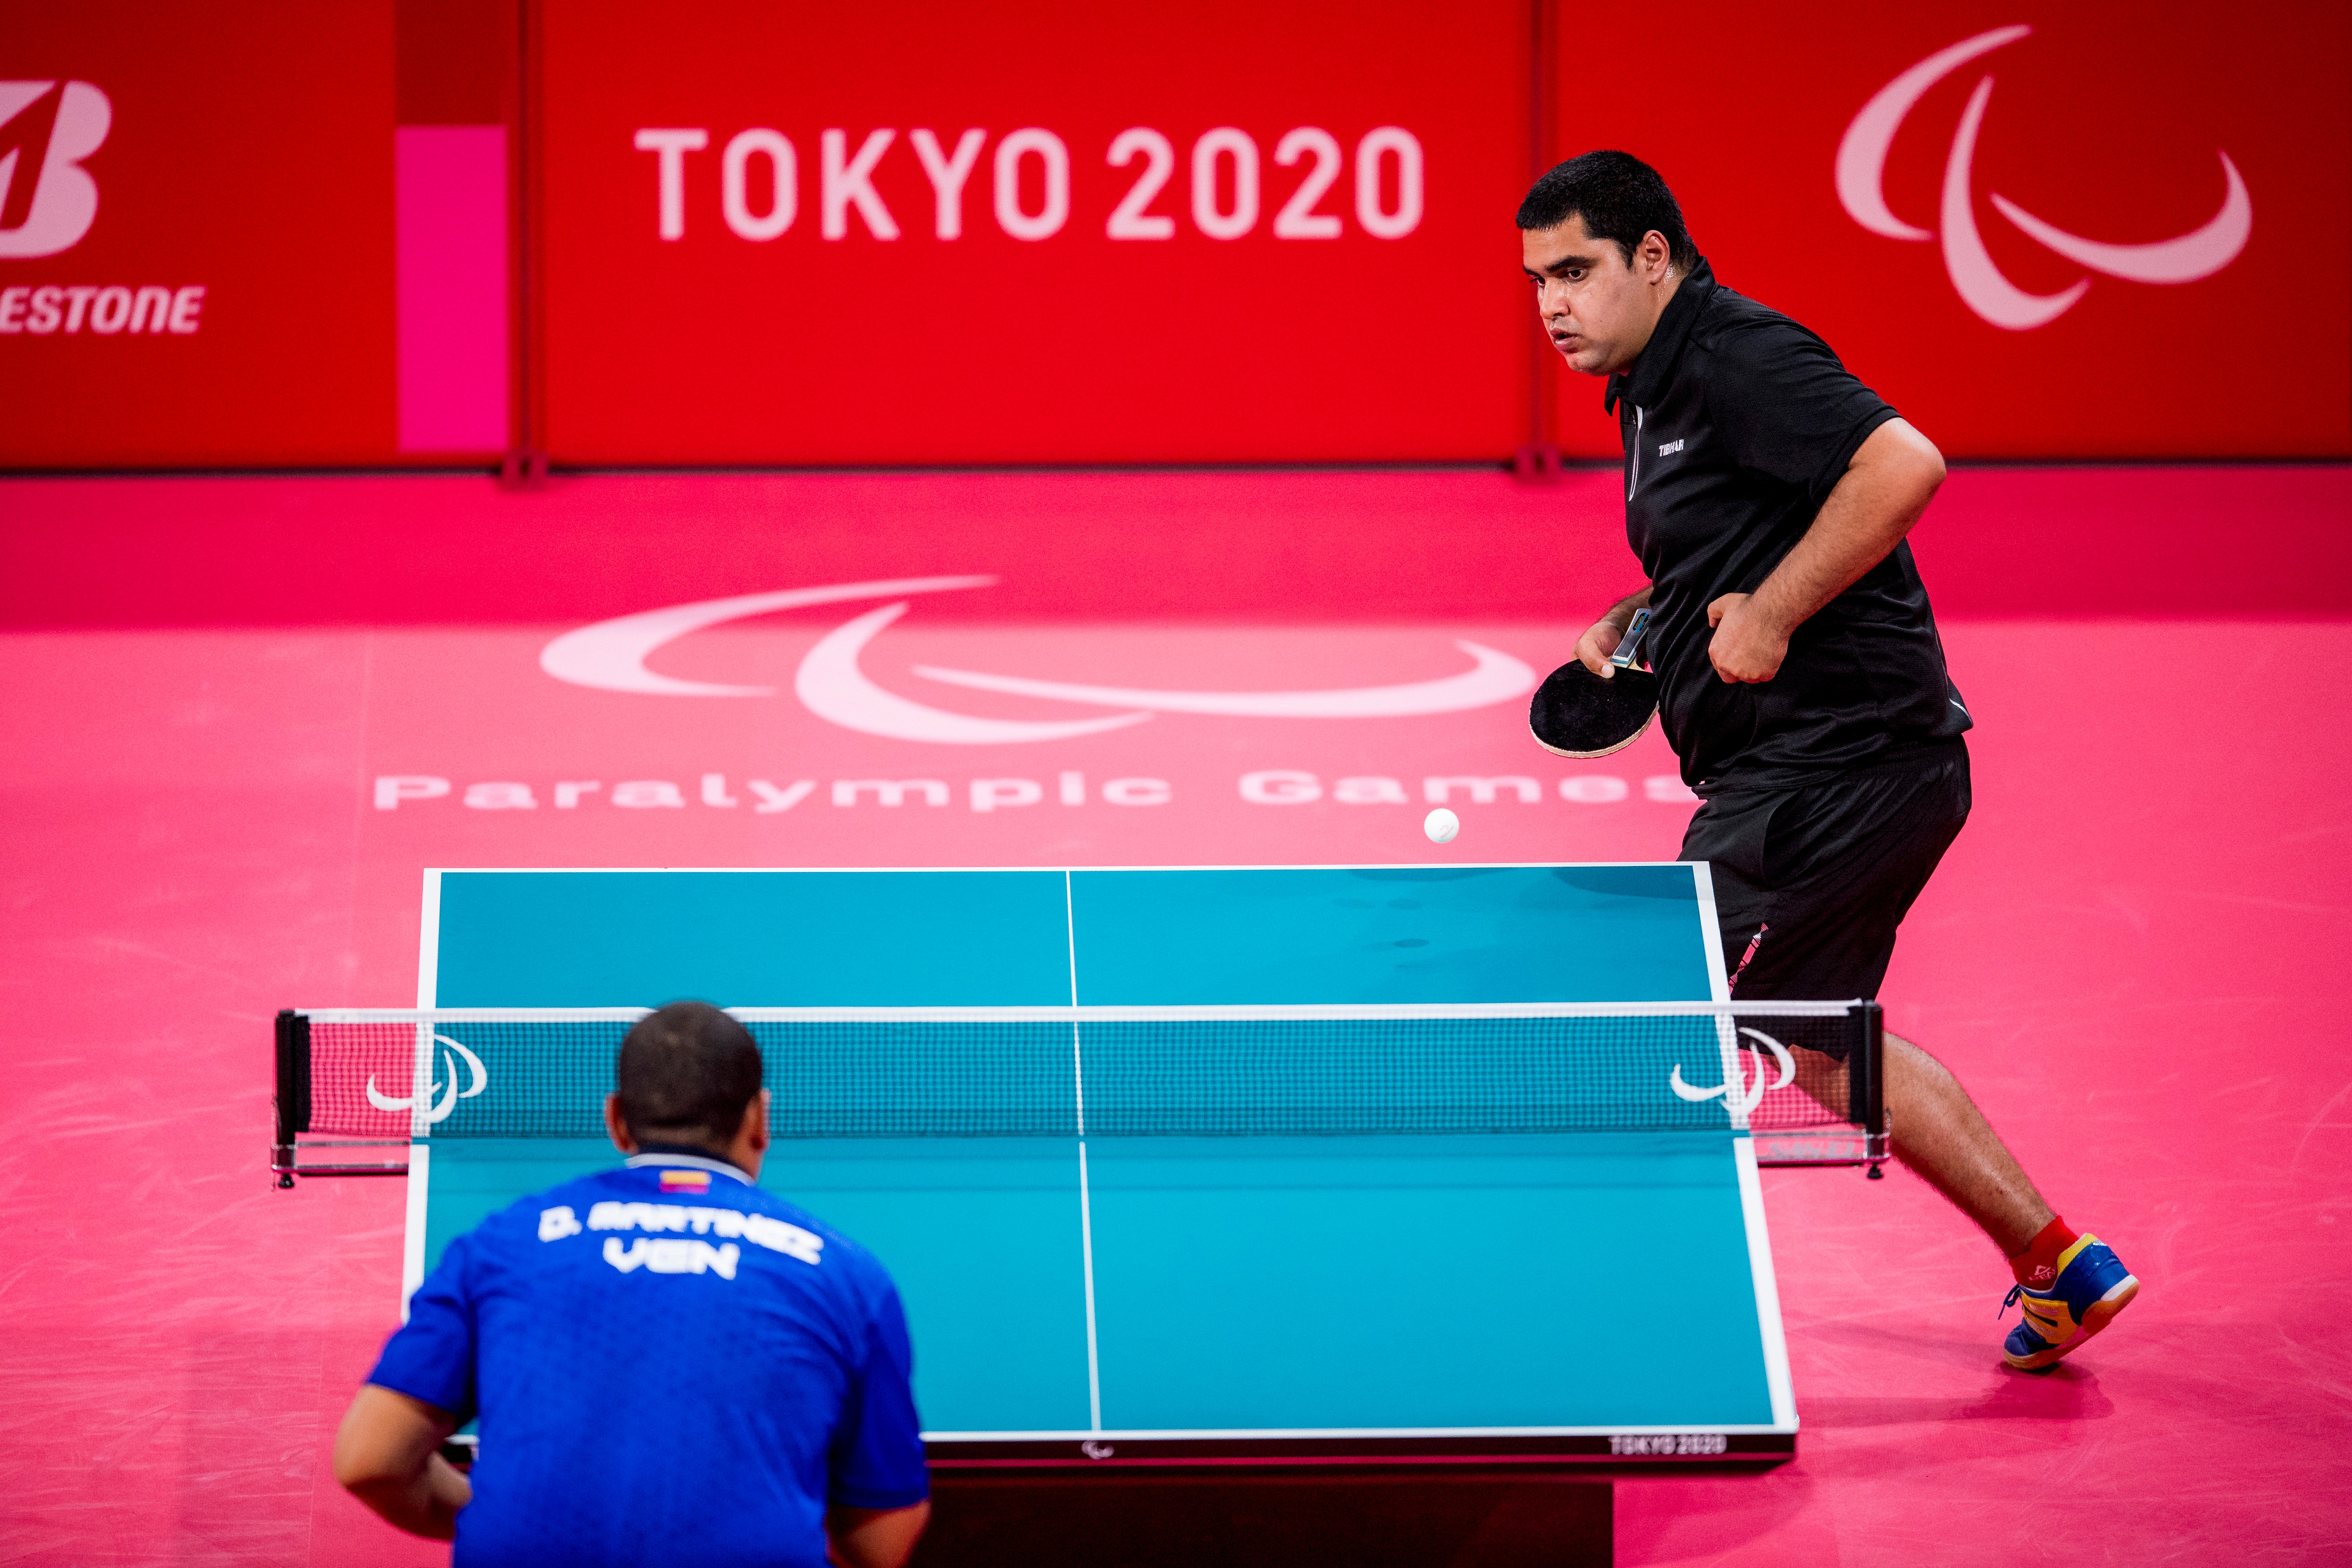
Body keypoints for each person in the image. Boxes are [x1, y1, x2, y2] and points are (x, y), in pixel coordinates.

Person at [1517, 150, 2137, 1371]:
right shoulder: (1647, 378)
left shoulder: (1739, 355)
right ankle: (2058, 1260)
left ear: (1654, 258)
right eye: (1538, 279)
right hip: (1834, 770)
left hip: (1836, 767)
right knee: (1808, 1038)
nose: (1552, 303)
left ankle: (1622, 1330)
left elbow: (1905, 463)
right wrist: (1648, 616)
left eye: (1577, 270)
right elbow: (1743, 528)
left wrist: (1773, 614)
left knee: (1676, 1011)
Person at [333, 1001, 931, 1566]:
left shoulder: (500, 1247)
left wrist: (491, 1513)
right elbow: (881, 1544)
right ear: (759, 1119)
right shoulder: (848, 1277)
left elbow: (369, 1462)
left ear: (615, 1120)